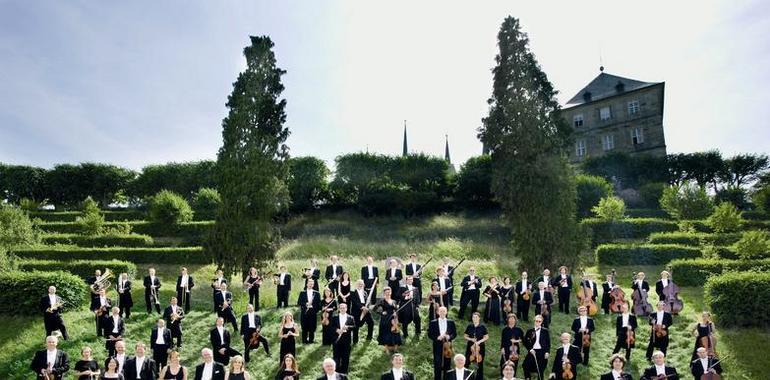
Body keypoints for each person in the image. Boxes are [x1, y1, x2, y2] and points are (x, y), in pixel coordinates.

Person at [428, 306, 457, 380]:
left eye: (444, 311)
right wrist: (437, 337)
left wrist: (449, 337)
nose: (442, 313)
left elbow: (454, 334)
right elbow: (430, 334)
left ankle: (446, 378)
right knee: (437, 363)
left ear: (446, 312)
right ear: (438, 312)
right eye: (441, 311)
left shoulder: (451, 322)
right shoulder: (433, 322)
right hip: (437, 345)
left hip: (448, 345)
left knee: (447, 364)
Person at [374, 286, 402, 354]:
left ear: (391, 292)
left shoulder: (394, 301)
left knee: (395, 333)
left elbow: (396, 310)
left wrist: (396, 313)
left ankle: (395, 349)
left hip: (393, 320)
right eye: (386, 292)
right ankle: (386, 350)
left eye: (389, 292)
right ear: (384, 293)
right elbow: (374, 308)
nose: (388, 294)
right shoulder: (382, 301)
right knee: (385, 334)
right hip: (385, 319)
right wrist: (381, 313)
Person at [523, 315, 550, 380]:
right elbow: (525, 341)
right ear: (534, 321)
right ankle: (528, 378)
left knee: (540, 370)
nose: (537, 322)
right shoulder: (530, 331)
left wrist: (547, 352)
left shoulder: (545, 331)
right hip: (533, 351)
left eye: (539, 321)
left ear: (541, 322)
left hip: (542, 352)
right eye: (536, 321)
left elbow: (548, 343)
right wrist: (530, 349)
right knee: (525, 365)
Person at [463, 312, 489, 380]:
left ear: (479, 318)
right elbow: (465, 336)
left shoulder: (482, 327)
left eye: (476, 317)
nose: (475, 318)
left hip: (480, 347)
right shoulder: (469, 326)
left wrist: (479, 342)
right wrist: (471, 339)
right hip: (470, 347)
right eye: (473, 317)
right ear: (472, 318)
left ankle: (479, 378)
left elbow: (486, 337)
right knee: (466, 362)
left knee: (480, 363)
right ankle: (465, 377)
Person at [332, 303, 355, 373]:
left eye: (344, 308)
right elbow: (331, 327)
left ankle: (344, 371)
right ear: (339, 309)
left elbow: (354, 327)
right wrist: (336, 330)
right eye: (341, 308)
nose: (342, 309)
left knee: (346, 356)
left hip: (346, 340)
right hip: (337, 339)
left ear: (346, 309)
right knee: (336, 356)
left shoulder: (350, 317)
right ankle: (336, 371)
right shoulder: (334, 317)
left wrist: (347, 327)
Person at [499, 314, 524, 379]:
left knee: (514, 365)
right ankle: (503, 377)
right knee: (503, 364)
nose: (511, 320)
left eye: (513, 319)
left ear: (515, 320)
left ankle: (513, 377)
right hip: (506, 349)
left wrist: (516, 341)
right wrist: (502, 348)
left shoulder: (519, 329)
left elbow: (522, 340)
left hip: (515, 351)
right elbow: (502, 340)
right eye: (510, 319)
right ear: (507, 320)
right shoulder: (505, 329)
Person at [298, 279, 321, 344]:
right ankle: (304, 341)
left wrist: (314, 308)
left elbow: (319, 304)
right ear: (306, 284)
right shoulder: (302, 292)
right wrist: (306, 304)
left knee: (312, 326)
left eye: (312, 284)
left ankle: (311, 340)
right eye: (309, 283)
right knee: (304, 326)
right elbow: (299, 302)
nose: (311, 285)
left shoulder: (317, 293)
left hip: (312, 312)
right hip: (304, 311)